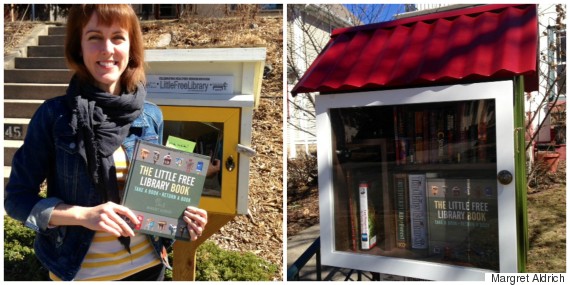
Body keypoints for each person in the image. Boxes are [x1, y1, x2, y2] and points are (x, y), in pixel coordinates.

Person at [4, 4, 207, 281]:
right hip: (79, 272)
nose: (107, 49)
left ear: (131, 46)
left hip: (148, 269)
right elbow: (17, 199)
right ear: (79, 46)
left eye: (118, 37)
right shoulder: (54, 116)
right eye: (94, 37)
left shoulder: (151, 116)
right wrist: (82, 215)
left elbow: (156, 198)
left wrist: (182, 217)